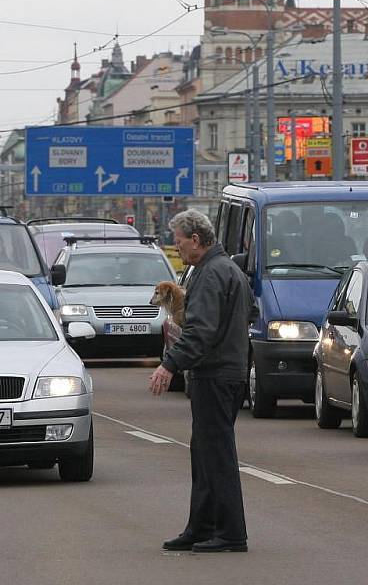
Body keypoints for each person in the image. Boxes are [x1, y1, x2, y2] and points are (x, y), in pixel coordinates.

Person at [149, 209, 255, 554]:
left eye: (178, 240)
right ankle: (202, 526)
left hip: (217, 374)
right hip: (223, 370)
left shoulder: (212, 273)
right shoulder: (221, 269)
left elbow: (202, 331)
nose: (175, 246)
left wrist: (169, 364)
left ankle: (230, 533)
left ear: (196, 240)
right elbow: (248, 311)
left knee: (217, 454)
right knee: (204, 453)